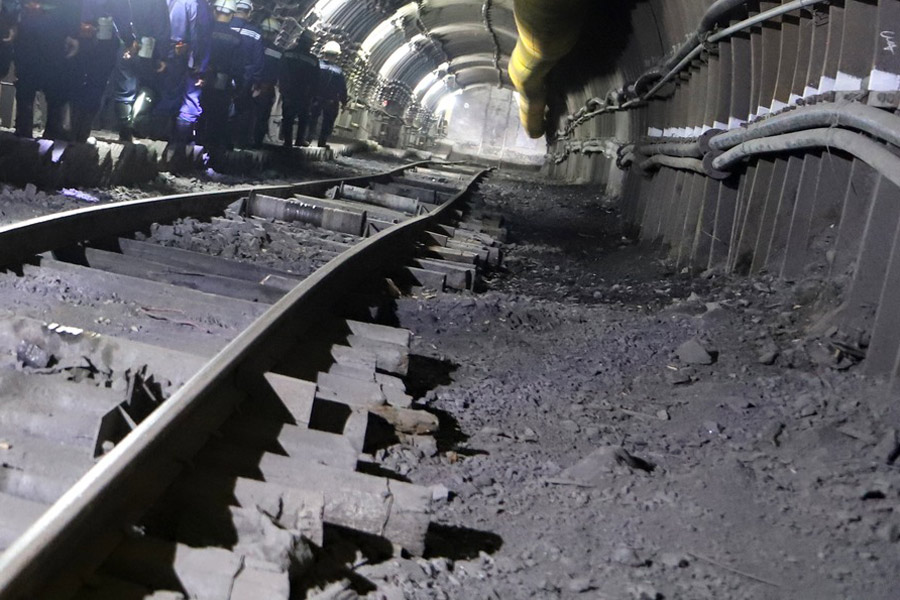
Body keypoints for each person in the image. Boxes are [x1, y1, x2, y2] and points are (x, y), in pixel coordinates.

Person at [13, 0, 82, 140]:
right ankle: (50, 130)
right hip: (49, 26)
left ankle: (25, 129)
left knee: (30, 80)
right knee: (52, 81)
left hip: (34, 25)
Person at [71, 0, 135, 142]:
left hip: (81, 39)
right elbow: (122, 14)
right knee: (95, 84)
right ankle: (81, 132)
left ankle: (74, 131)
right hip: (101, 41)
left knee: (79, 82)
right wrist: (129, 41)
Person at [109, 0, 171, 141]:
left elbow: (117, 14)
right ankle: (136, 123)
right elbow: (162, 27)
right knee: (148, 86)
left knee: (123, 90)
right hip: (148, 48)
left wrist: (129, 40)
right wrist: (162, 56)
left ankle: (124, 130)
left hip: (126, 46)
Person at [156, 0, 211, 145]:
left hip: (163, 51)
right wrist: (200, 63)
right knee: (190, 99)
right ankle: (179, 145)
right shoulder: (196, 4)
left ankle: (158, 139)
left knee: (166, 94)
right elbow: (200, 34)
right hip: (183, 54)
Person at [198, 0, 242, 150]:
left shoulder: (204, 31)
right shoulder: (236, 38)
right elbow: (237, 65)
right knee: (218, 113)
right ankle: (213, 145)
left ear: (215, 11)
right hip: (223, 80)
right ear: (232, 15)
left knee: (199, 107)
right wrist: (238, 86)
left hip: (202, 75)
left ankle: (197, 138)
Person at [229, 0, 264, 146]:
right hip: (245, 78)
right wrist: (256, 82)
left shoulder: (224, 26)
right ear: (249, 13)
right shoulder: (255, 33)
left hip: (223, 73)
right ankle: (234, 141)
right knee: (241, 110)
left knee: (216, 106)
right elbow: (258, 60)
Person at [278, 28, 318, 148]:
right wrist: (313, 94)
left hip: (289, 90)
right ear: (311, 44)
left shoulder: (287, 53)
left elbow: (281, 71)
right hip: (304, 93)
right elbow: (316, 80)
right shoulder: (313, 60)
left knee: (287, 116)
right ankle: (299, 139)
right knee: (303, 116)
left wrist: (282, 86)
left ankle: (287, 140)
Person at [246, 17, 280, 147]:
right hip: (266, 88)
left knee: (246, 112)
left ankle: (241, 138)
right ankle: (257, 142)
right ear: (275, 34)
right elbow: (279, 72)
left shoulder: (253, 44)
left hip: (250, 84)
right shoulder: (278, 52)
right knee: (262, 116)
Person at [309, 40, 347, 150]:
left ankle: (308, 138)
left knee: (312, 118)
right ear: (336, 56)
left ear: (324, 53)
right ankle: (322, 141)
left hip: (315, 97)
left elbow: (310, 80)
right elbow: (342, 88)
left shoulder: (316, 65)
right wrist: (344, 102)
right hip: (331, 101)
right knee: (328, 121)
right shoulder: (338, 71)